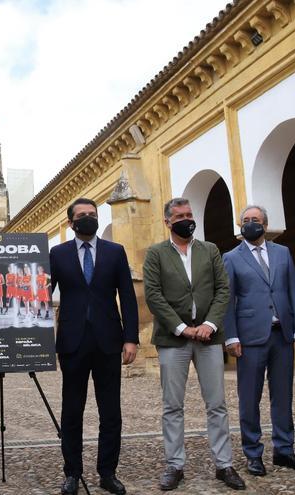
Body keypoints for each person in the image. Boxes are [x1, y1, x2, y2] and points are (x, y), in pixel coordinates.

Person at [143, 197, 244, 491]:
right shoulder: (156, 253)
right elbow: (153, 295)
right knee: (172, 405)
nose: (187, 219)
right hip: (172, 340)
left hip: (208, 337)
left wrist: (209, 324)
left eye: (189, 214)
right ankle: (175, 465)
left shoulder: (209, 250)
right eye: (180, 215)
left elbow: (222, 289)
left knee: (217, 404)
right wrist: (182, 327)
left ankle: (224, 464)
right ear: (168, 222)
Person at [49, 198, 138, 495]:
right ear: (71, 222)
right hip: (72, 342)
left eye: (92, 214)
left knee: (110, 412)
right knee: (72, 411)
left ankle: (107, 472)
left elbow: (127, 295)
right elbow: (41, 294)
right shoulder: (57, 254)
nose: (88, 218)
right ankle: (72, 473)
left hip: (109, 340)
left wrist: (131, 338)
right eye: (82, 215)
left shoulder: (115, 251)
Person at [222, 205, 295, 477]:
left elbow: (292, 291)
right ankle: (253, 453)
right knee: (249, 398)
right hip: (249, 338)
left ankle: (284, 450)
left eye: (256, 220)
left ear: (265, 224)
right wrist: (231, 335)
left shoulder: (282, 252)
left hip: (282, 335)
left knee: (283, 396)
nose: (251, 223)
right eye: (246, 220)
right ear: (240, 225)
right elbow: (228, 299)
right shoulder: (231, 257)